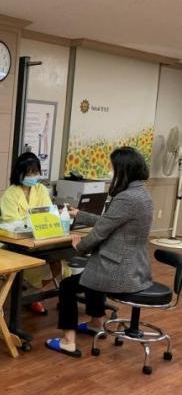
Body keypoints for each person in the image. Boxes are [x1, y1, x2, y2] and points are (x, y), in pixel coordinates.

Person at [46, 147, 153, 357]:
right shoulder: (142, 194)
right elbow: (111, 221)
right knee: (91, 275)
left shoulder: (126, 198)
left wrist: (79, 247)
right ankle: (96, 323)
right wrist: (80, 214)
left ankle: (68, 341)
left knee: (68, 286)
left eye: (113, 168)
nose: (111, 172)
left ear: (123, 170)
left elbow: (100, 232)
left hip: (119, 271)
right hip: (136, 268)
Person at [0, 152, 57, 314]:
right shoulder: (10, 193)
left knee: (59, 262)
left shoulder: (41, 189)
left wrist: (42, 221)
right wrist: (33, 221)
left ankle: (32, 294)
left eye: (35, 172)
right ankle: (28, 294)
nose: (33, 176)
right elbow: (11, 221)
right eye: (29, 173)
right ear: (19, 173)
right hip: (17, 242)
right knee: (47, 262)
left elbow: (48, 213)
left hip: (40, 239)